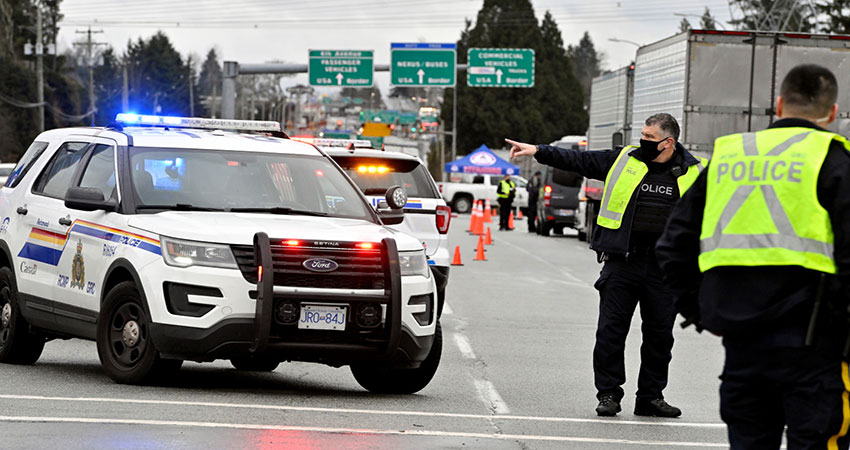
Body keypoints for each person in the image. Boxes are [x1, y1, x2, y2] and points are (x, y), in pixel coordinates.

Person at [656, 64, 850, 449]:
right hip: (815, 349)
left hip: (742, 343)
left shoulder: (729, 157)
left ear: (778, 105)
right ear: (832, 112)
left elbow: (673, 245)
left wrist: (699, 311)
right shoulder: (836, 161)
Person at [507, 113, 706, 417]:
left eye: (650, 138)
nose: (643, 142)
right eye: (643, 135)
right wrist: (538, 150)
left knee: (660, 336)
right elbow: (579, 160)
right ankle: (609, 394)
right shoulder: (624, 159)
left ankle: (650, 397)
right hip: (623, 262)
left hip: (665, 269)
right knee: (610, 333)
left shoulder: (693, 172)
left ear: (669, 142)